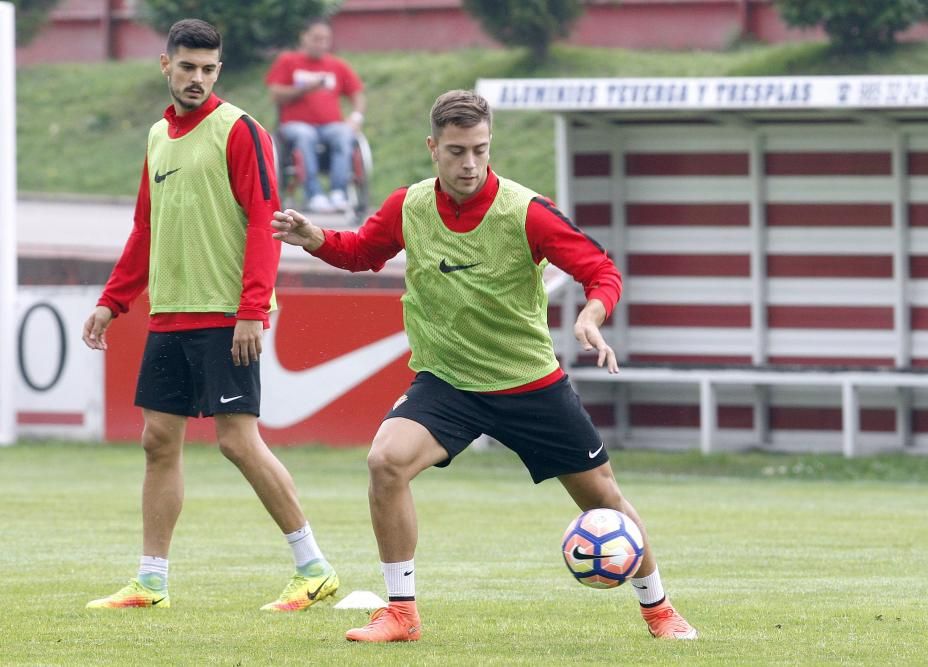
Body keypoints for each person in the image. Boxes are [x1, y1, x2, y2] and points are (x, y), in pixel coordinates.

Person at [271, 90, 698, 642]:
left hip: (528, 383)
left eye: (479, 149)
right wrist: (315, 239)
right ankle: (400, 612)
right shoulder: (410, 205)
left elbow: (601, 270)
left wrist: (593, 315)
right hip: (447, 382)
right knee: (386, 463)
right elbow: (361, 252)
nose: (469, 164)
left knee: (603, 499)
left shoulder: (526, 211)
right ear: (433, 149)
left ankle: (659, 609)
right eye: (456, 152)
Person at [81, 18, 338, 613]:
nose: (197, 78)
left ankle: (313, 567)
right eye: (187, 67)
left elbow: (265, 220)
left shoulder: (242, 129)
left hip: (227, 315)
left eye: (208, 69)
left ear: (218, 71)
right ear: (165, 66)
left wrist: (252, 308)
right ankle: (150, 582)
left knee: (238, 443)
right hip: (169, 314)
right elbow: (146, 229)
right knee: (158, 441)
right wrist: (113, 300)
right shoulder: (156, 138)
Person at [265, 18, 365, 214]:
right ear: (304, 37)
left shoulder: (336, 65)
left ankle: (339, 192)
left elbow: (357, 94)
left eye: (325, 39)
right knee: (305, 135)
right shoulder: (288, 61)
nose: (321, 44)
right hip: (295, 125)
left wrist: (356, 117)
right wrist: (303, 89)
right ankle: (314, 194)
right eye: (316, 38)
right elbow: (275, 93)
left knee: (344, 134)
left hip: (330, 125)